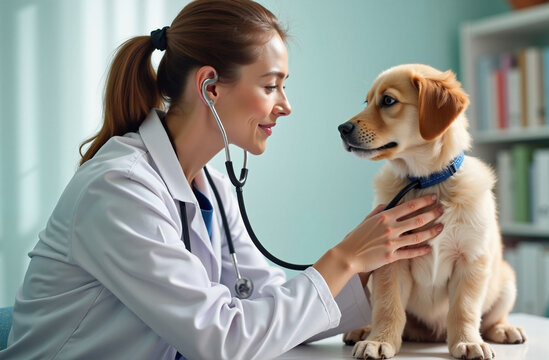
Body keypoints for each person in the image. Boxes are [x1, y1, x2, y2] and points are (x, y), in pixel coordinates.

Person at [0, 0, 444, 359]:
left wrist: (377, 263)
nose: (285, 106)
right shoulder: (119, 188)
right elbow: (225, 342)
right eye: (271, 86)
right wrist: (345, 257)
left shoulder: (210, 185)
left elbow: (266, 307)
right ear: (210, 87)